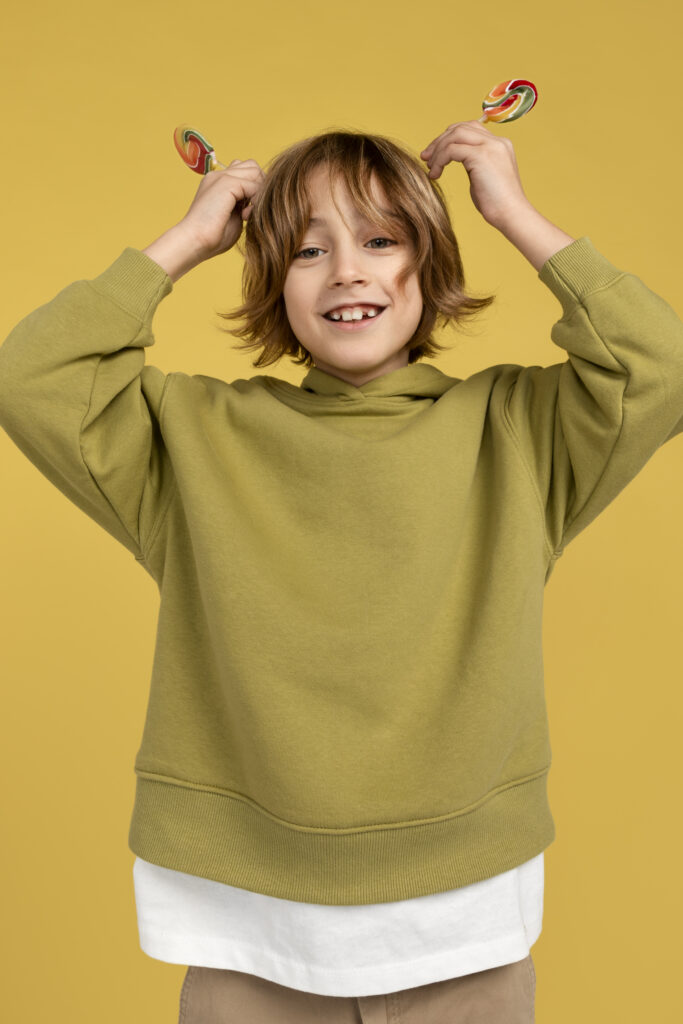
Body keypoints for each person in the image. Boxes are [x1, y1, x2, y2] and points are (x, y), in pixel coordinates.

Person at [1, 121, 682, 1024]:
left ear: (429, 265)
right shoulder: (192, 440)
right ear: (271, 283)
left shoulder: (519, 431)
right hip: (248, 930)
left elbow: (658, 364)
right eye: (307, 250)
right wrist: (187, 241)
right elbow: (31, 377)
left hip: (464, 927)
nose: (346, 272)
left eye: (380, 240)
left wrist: (512, 214)